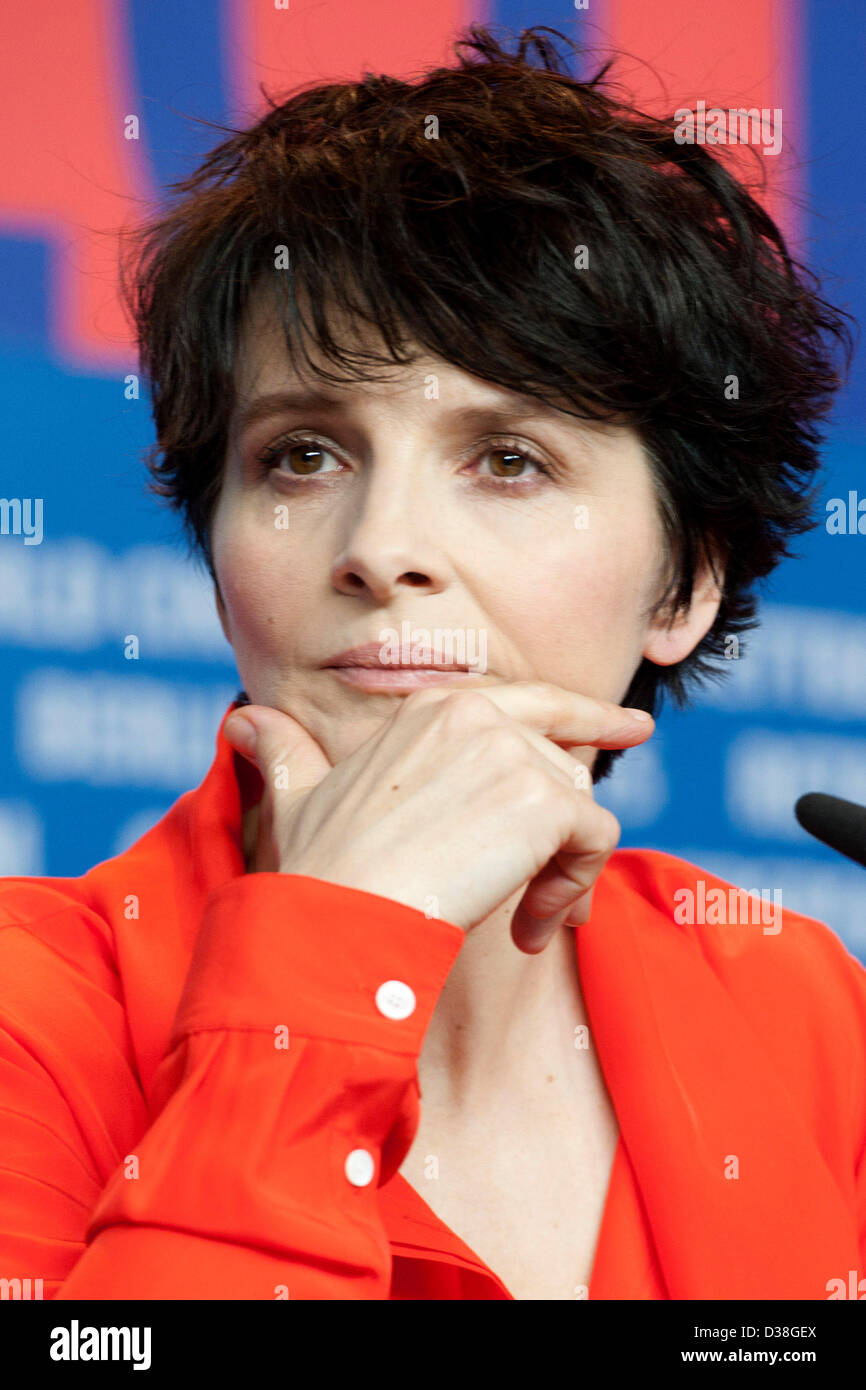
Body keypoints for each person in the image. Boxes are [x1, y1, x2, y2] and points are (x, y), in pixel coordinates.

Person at [1, 25, 864, 1302]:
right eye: (301, 454)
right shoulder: (30, 1016)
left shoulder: (800, 1006)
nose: (380, 547)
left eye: (507, 459)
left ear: (681, 585)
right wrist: (330, 954)